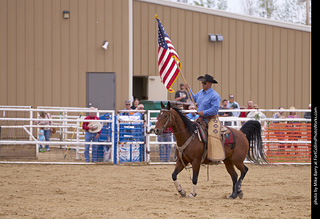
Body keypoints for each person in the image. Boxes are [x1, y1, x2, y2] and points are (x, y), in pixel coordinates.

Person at [185, 74, 224, 163]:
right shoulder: (200, 93)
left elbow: (214, 109)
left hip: (211, 119)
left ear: (210, 84)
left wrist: (203, 112)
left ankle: (215, 156)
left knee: (212, 135)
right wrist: (188, 90)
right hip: (201, 119)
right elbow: (194, 98)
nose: (202, 84)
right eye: (202, 82)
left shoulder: (215, 95)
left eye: (204, 82)